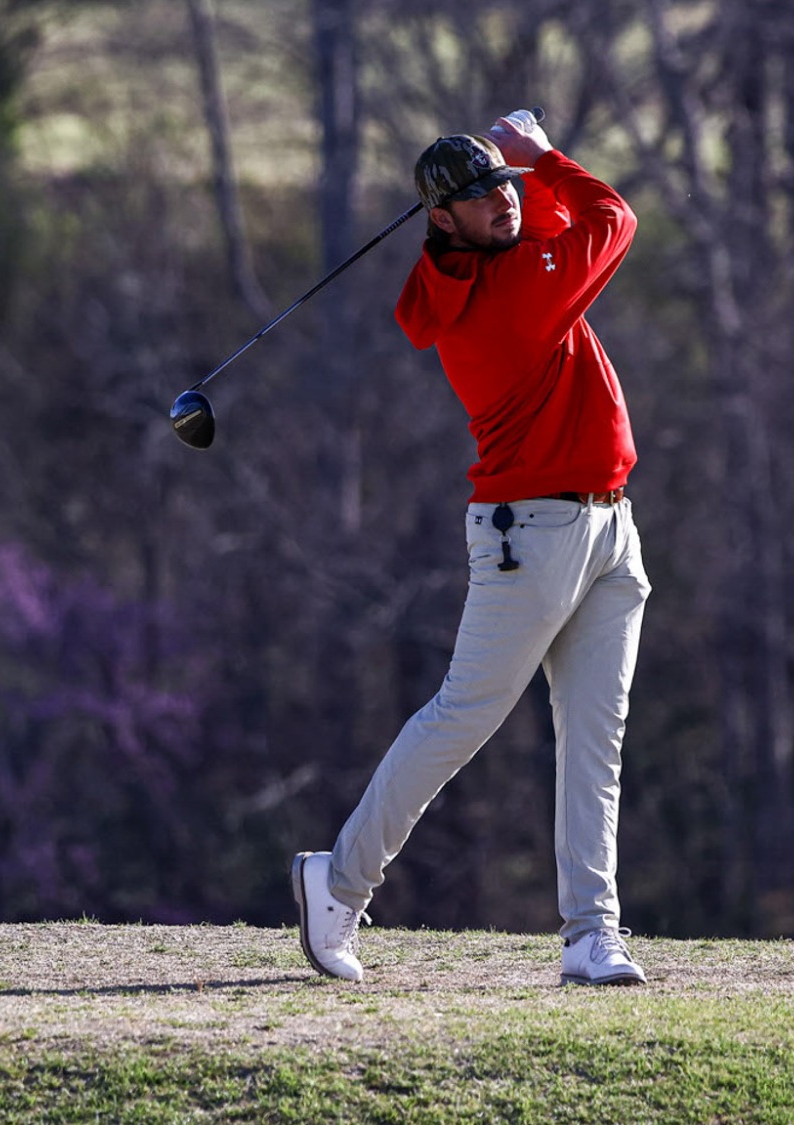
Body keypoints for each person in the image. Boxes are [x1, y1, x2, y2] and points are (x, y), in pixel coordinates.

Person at [292, 109, 650, 986]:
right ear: (440, 220)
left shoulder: (508, 258)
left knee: (595, 739)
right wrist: (542, 156)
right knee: (463, 717)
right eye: (479, 196)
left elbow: (556, 225)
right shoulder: (517, 290)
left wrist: (525, 178)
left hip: (607, 527)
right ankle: (336, 883)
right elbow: (611, 218)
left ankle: (591, 933)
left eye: (503, 185)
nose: (503, 202)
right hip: (529, 535)